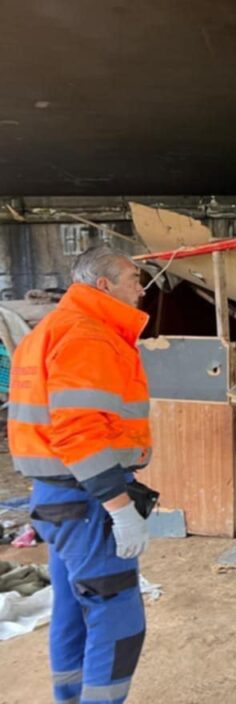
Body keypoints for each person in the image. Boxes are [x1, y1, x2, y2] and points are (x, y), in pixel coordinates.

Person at [7, 246, 155, 703]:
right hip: (87, 500)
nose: (142, 288)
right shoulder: (89, 336)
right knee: (118, 615)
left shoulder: (50, 329)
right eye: (134, 278)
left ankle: (70, 697)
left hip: (57, 499)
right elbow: (79, 432)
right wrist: (120, 508)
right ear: (104, 284)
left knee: (72, 608)